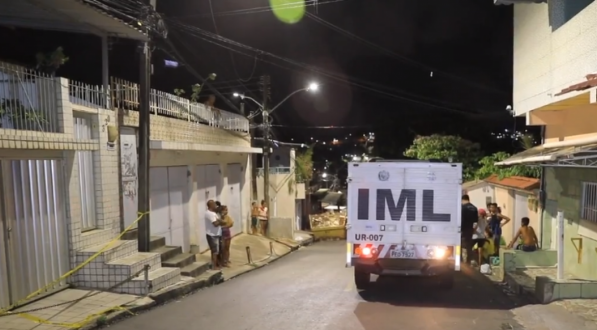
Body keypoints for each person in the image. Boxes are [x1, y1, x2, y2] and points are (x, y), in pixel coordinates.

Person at [205, 200, 224, 270]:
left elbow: (219, 222)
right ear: (210, 206)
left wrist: (220, 221)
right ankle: (214, 266)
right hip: (212, 235)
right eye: (214, 204)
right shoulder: (210, 214)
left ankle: (216, 264)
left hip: (216, 234)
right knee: (215, 251)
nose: (215, 206)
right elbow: (215, 224)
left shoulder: (213, 213)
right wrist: (220, 221)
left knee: (216, 251)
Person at [461, 195, 478, 264]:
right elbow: (476, 221)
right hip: (470, 230)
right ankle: (468, 261)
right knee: (469, 246)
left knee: (463, 246)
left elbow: (461, 219)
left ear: (463, 200)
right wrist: (473, 230)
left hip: (463, 230)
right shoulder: (474, 208)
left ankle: (463, 262)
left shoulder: (463, 208)